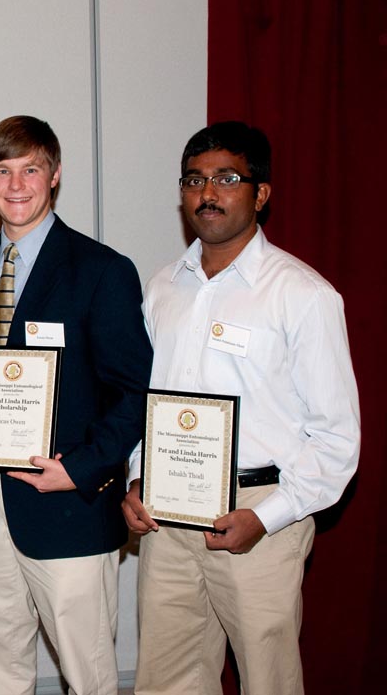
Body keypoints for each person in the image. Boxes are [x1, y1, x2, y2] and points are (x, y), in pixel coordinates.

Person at [121, 121, 360, 695]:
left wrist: (269, 516)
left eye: (227, 178)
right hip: (168, 511)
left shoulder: (303, 295)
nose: (208, 193)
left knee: (267, 679)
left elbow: (336, 439)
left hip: (260, 512)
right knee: (166, 679)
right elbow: (147, 401)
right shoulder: (161, 288)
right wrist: (135, 477)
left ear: (261, 193)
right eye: (195, 179)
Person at [0, 116, 152, 695]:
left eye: (30, 168)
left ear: (55, 175)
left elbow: (136, 390)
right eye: (2, 171)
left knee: (87, 676)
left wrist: (82, 469)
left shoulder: (102, 271)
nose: (16, 185)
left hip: (69, 512)